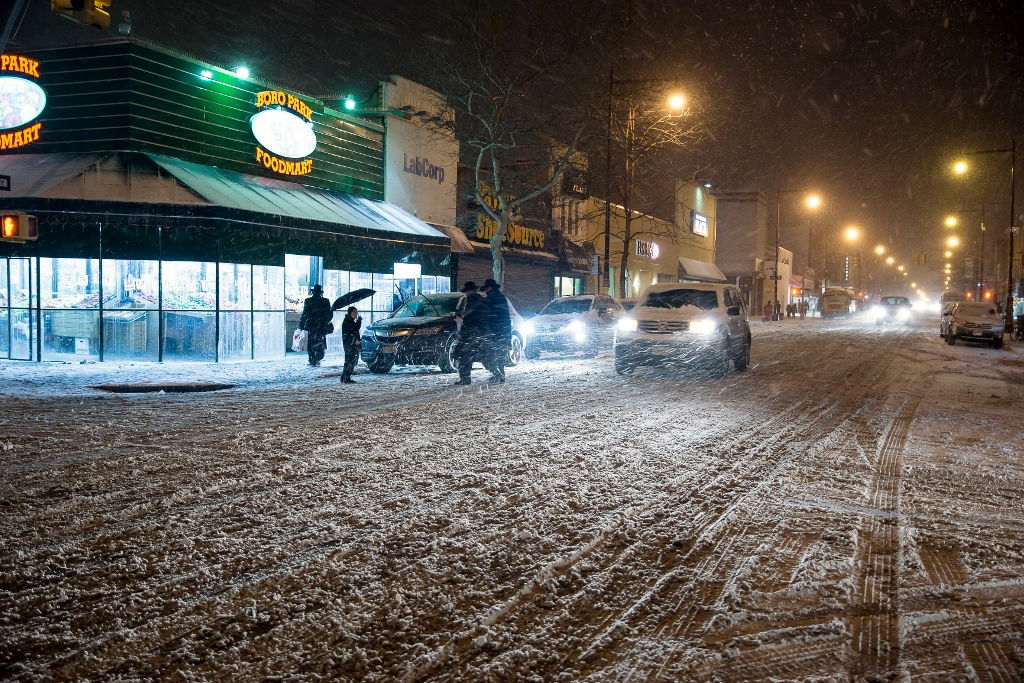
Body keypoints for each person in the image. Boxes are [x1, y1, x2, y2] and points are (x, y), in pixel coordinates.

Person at [453, 282, 487, 385]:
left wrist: (463, 332)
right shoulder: (480, 300)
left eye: (467, 291)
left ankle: (465, 378)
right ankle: (497, 373)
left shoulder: (472, 300)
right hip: (479, 332)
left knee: (463, 355)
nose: (466, 293)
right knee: (476, 355)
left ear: (470, 291)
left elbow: (469, 319)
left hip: (471, 333)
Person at [479, 278, 512, 382]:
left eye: (486, 288)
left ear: (489, 288)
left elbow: (486, 316)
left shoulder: (490, 299)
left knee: (487, 356)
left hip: (494, 332)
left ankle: (497, 374)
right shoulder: (501, 298)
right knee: (500, 355)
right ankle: (501, 375)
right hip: (504, 331)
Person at [298, 284, 332, 367]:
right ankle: (317, 358)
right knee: (320, 343)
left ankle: (313, 359)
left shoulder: (308, 301)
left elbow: (304, 314)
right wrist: (325, 321)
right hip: (321, 326)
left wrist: (301, 325)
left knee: (311, 343)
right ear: (320, 292)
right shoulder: (325, 301)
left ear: (313, 292)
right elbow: (330, 314)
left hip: (311, 326)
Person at [340, 306, 362, 383]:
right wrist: (354, 340)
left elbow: (355, 329)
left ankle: (345, 377)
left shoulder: (351, 321)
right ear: (350, 312)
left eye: (356, 312)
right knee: (350, 360)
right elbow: (349, 333)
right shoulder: (347, 321)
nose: (356, 314)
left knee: (350, 360)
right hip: (349, 344)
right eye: (354, 312)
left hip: (351, 344)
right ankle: (346, 377)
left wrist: (359, 321)